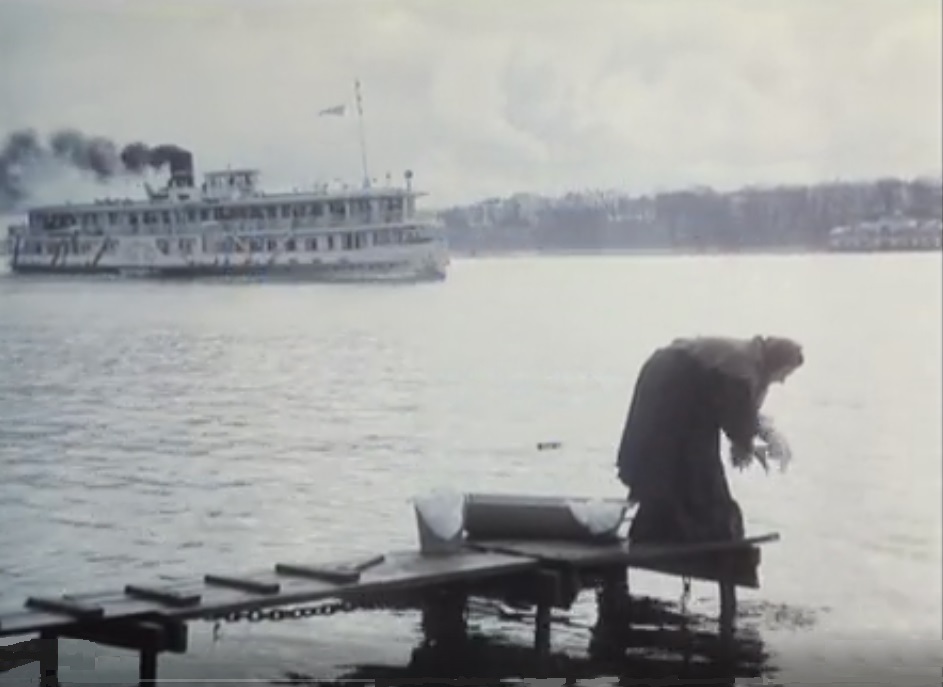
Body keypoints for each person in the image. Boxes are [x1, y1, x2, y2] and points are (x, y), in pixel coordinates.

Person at [615, 335, 804, 545]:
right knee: (675, 460)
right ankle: (677, 531)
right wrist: (745, 444)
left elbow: (743, 413)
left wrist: (753, 441)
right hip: (673, 382)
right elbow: (737, 410)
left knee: (682, 463)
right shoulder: (742, 365)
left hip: (677, 385)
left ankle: (668, 528)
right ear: (776, 364)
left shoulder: (750, 363)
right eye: (785, 373)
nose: (783, 381)